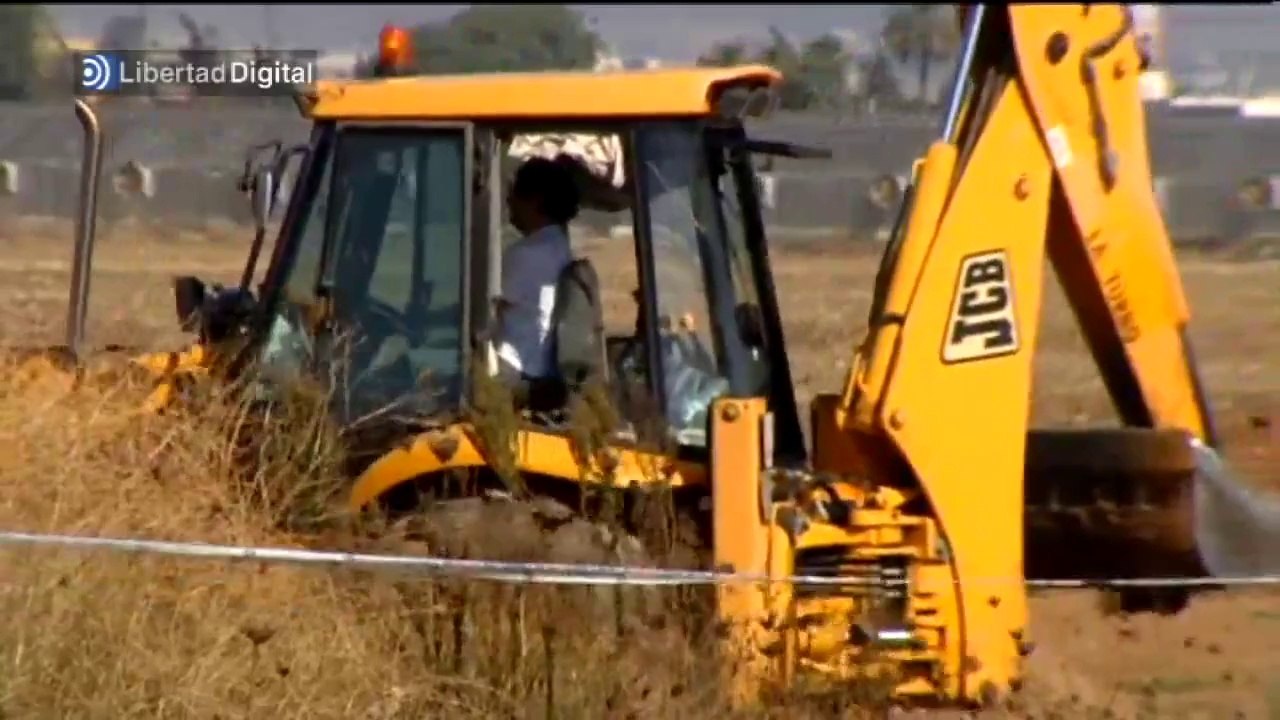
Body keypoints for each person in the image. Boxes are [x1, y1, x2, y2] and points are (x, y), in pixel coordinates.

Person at [492, 157, 579, 389]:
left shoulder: (526, 253)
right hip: (542, 366)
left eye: (514, 193)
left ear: (535, 200)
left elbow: (488, 308)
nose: (509, 201)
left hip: (517, 366)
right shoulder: (559, 245)